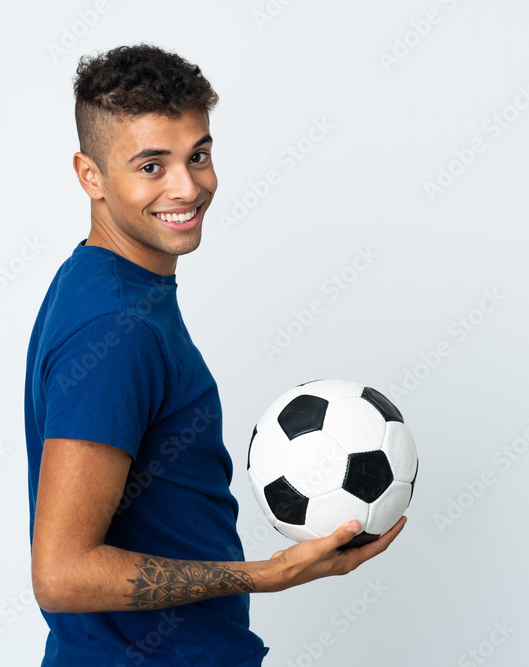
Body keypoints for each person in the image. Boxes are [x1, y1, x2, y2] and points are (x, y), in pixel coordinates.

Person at [23, 43, 406, 666]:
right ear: (89, 174)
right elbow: (62, 573)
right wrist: (265, 574)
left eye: (197, 155)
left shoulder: (114, 288)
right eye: (152, 165)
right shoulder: (116, 328)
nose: (188, 186)